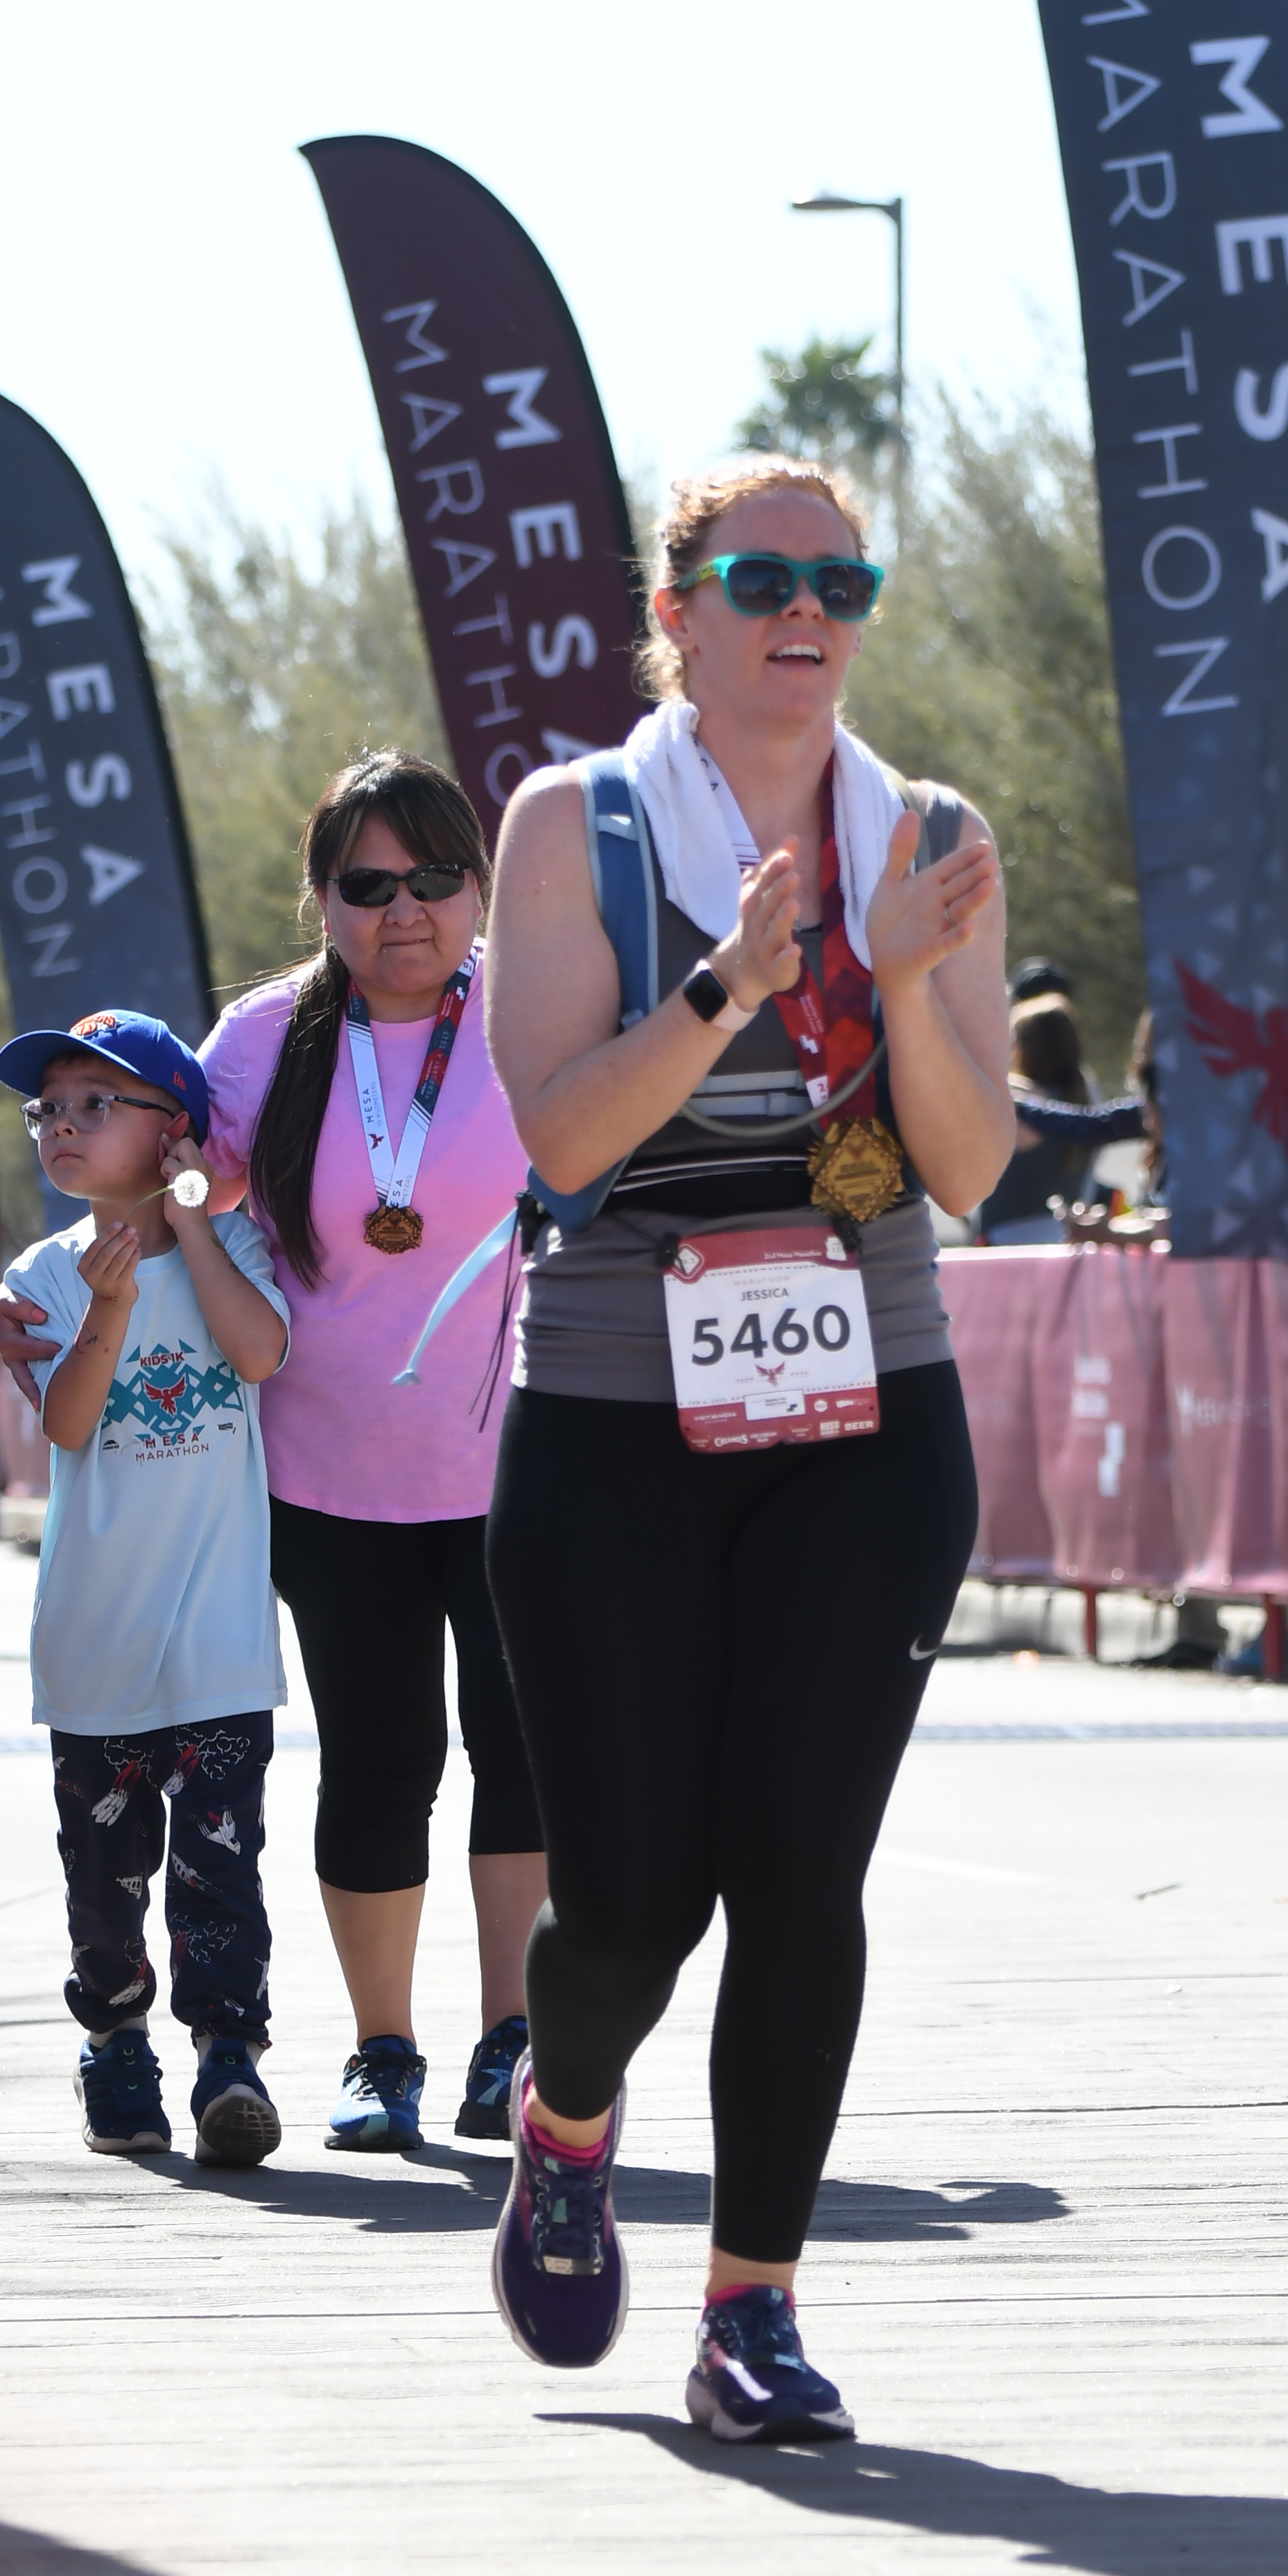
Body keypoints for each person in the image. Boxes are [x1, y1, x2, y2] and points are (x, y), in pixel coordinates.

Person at [480, 454, 1009, 2443]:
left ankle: (752, 2310)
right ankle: (567, 2112)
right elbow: (561, 1140)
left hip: (867, 1406)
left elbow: (965, 1164)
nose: (808, 611)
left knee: (800, 1870)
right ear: (676, 611)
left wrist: (899, 972)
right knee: (630, 1908)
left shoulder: (932, 836)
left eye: (841, 583)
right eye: (766, 576)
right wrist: (730, 982)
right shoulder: (575, 824)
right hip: (618, 1410)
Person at [195, 756, 544, 2157]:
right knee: (378, 1758)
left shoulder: (536, 1014)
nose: (404, 909)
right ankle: (381, 2050)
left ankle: (515, 2043)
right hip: (328, 1475)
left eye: (435, 879)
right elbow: (176, 1173)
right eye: (368, 884)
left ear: (480, 887)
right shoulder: (264, 1038)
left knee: (524, 1752)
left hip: (524, 1465)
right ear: (322, 898)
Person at [0, 1013, 293, 2167]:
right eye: (47, 1110)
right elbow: (69, 1425)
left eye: (94, 1104)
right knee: (106, 1876)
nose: (61, 1126)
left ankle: (229, 2057)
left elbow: (259, 1353)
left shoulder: (238, 1246)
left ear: (174, 1130)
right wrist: (109, 1309)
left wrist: (192, 1221)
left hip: (218, 1640)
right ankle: (115, 2043)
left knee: (222, 1866)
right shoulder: (43, 1276)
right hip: (97, 1643)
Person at [969, 994, 1147, 1245]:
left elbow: (986, 1086)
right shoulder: (1085, 1098)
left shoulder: (1017, 1096)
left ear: (1026, 1047)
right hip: (1065, 1243)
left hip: (1010, 1246)